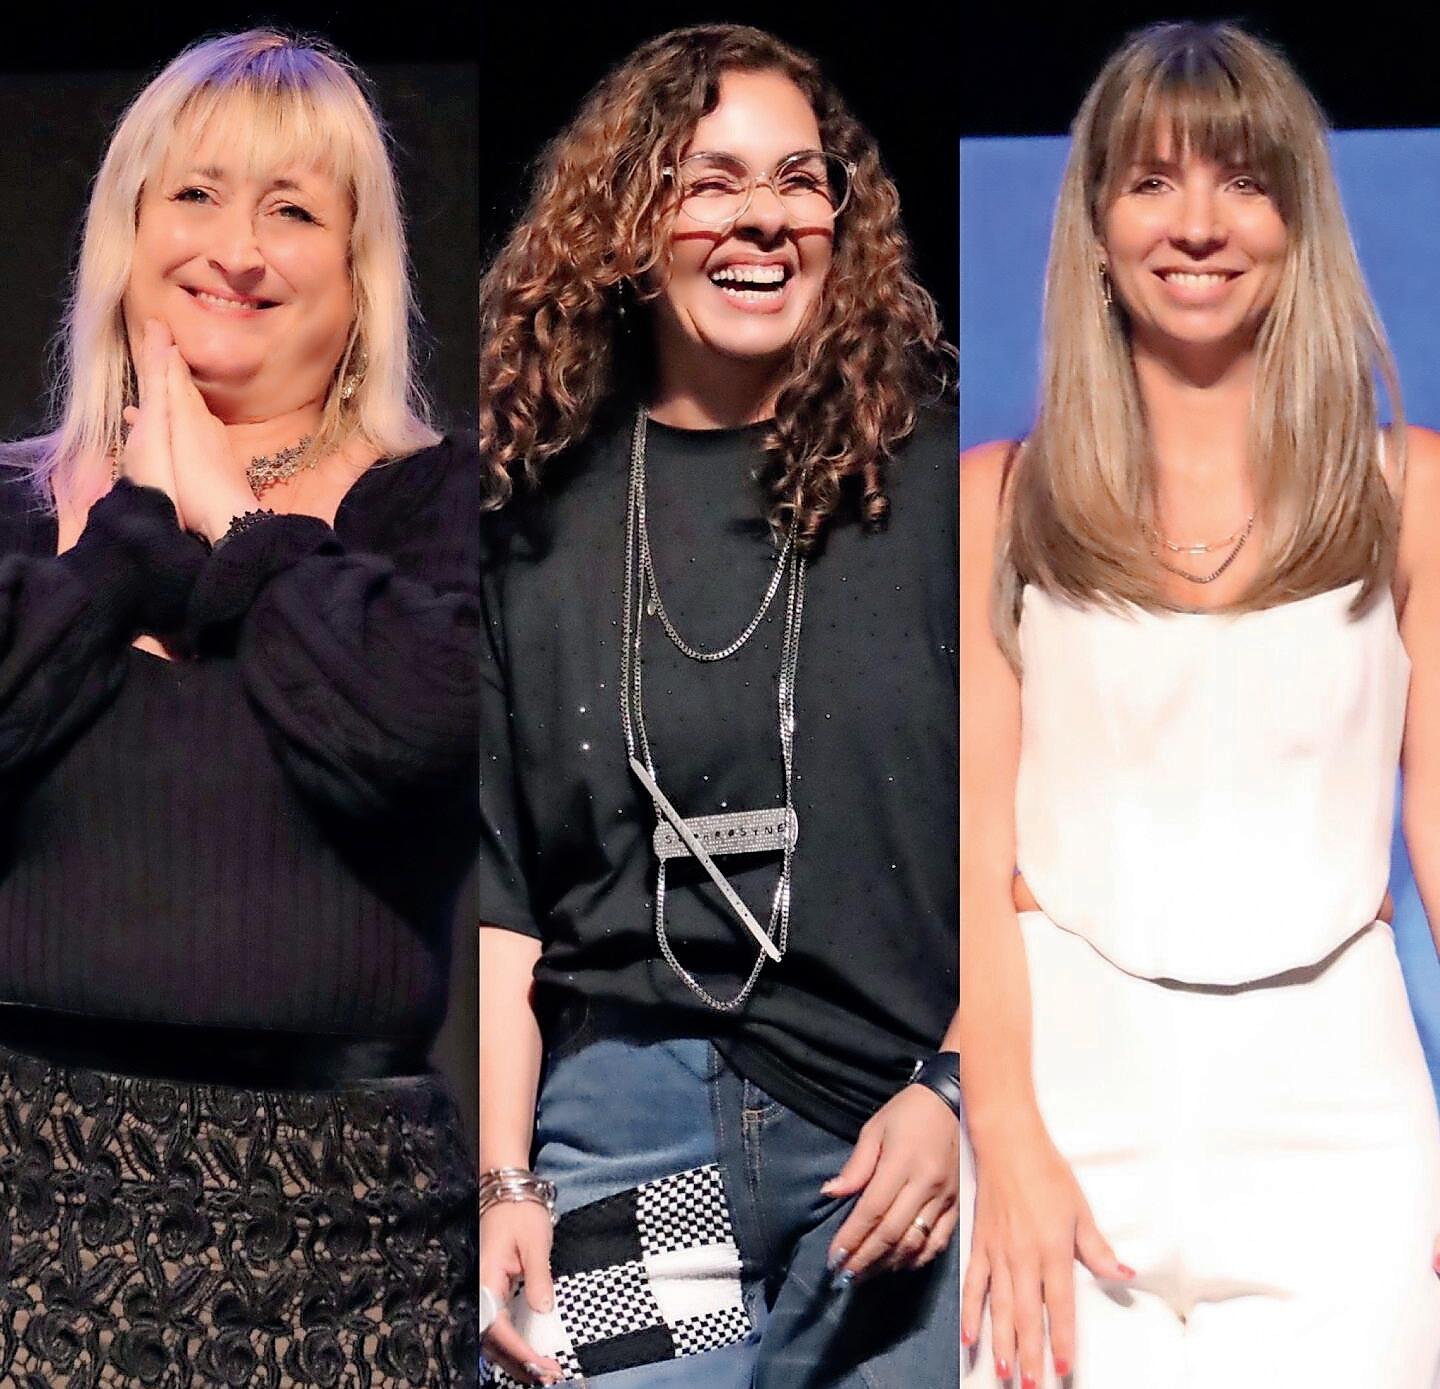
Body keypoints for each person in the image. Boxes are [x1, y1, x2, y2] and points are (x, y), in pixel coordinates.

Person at [959, 21, 1440, 1389]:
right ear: (1097, 223)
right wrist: (1006, 1132)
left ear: (1298, 218)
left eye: (1243, 181)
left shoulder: (1411, 493)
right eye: (1153, 182)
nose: (1198, 224)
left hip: (1341, 1120)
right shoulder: (997, 503)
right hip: (1068, 1104)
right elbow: (971, 853)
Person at [477, 24, 958, 1389]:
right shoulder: (531, 522)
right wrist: (504, 1181)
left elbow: (1036, 833)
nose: (763, 217)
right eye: (711, 181)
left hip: (893, 1149)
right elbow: (505, 893)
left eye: (800, 180)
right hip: (644, 1146)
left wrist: (958, 1090)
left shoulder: (940, 489)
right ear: (630, 222)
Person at [0, 31, 479, 1387]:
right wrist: (126, 541)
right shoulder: (16, 507)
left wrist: (243, 526)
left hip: (350, 1240)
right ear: (129, 229)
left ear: (360, 267)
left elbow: (423, 729)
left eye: (293, 212)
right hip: (26, 1213)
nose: (239, 251)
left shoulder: (446, 508)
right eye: (198, 196)